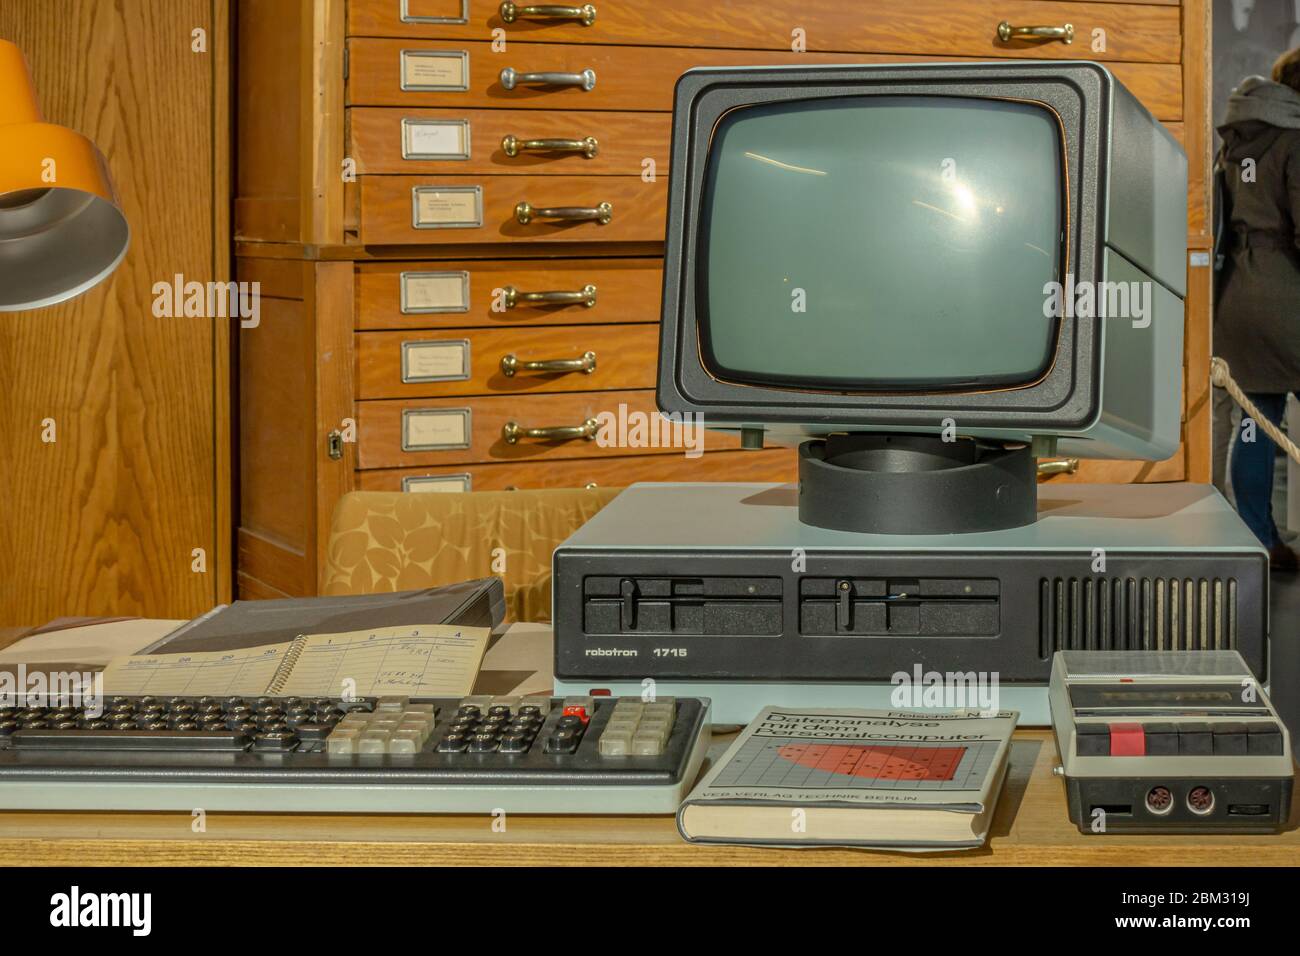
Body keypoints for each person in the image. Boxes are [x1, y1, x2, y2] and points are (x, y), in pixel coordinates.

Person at [1215, 47, 1300, 571]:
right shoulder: (1295, 139)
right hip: (1288, 295)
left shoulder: (1237, 139)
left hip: (1236, 295)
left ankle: (1257, 539)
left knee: (1254, 424)